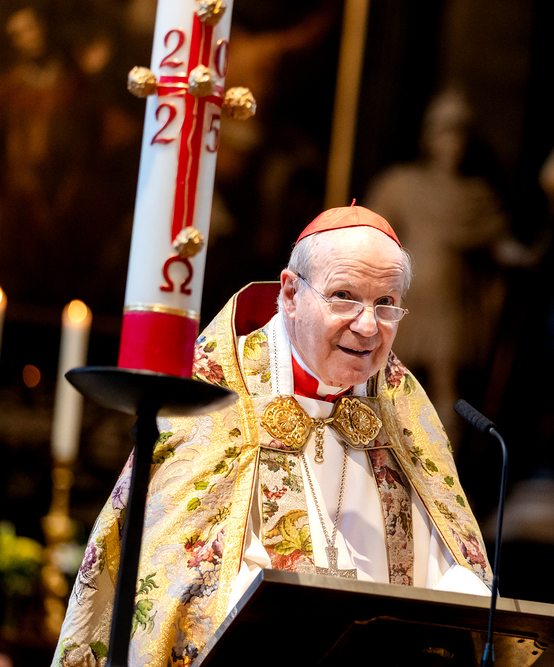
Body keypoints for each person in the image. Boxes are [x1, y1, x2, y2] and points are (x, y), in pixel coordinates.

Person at [53, 204, 493, 667]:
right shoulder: (215, 394)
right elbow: (174, 585)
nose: (367, 326)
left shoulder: (403, 405)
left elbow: (451, 570)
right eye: (343, 296)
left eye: (386, 303)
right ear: (291, 294)